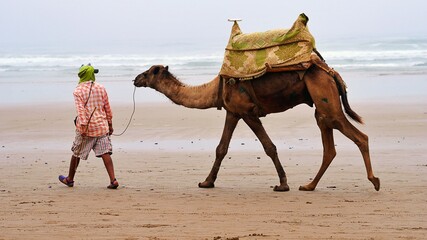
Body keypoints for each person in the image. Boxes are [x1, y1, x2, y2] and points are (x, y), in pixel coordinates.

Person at [59, 64, 119, 189]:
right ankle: (113, 180)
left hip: (87, 128)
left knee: (77, 153)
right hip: (102, 126)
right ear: (91, 74)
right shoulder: (101, 88)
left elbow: (81, 112)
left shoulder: (78, 91)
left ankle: (70, 179)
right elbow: (107, 108)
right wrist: (110, 124)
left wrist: (83, 127)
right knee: (105, 153)